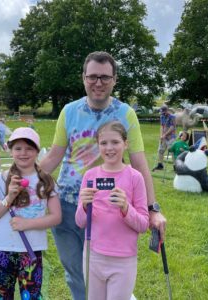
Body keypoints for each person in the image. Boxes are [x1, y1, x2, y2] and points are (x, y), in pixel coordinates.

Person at [39, 51, 166, 300]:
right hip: (66, 206)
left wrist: (153, 208)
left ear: (114, 80)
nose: (98, 83)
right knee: (75, 272)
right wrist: (25, 183)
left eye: (105, 77)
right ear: (83, 78)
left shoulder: (126, 114)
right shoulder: (68, 111)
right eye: (93, 76)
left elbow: (139, 163)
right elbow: (54, 156)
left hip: (106, 209)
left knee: (106, 271)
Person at [0, 127, 61, 300]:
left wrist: (27, 223)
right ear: (10, 150)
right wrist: (8, 197)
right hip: (1, 250)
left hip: (31, 252)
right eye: (18, 148)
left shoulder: (47, 181)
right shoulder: (0, 179)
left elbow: (56, 217)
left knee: (31, 297)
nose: (23, 153)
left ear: (37, 151)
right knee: (2, 297)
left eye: (29, 148)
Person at [75, 121, 149, 300]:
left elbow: (143, 225)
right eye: (103, 143)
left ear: (125, 144)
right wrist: (84, 206)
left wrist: (126, 208)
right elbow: (80, 222)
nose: (109, 148)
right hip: (93, 257)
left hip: (123, 260)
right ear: (97, 145)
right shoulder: (90, 176)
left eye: (115, 142)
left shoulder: (135, 177)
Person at [152, 104, 176, 171]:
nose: (163, 114)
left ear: (167, 110)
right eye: (162, 112)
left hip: (171, 137)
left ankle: (175, 167)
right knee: (160, 150)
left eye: (164, 112)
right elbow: (162, 126)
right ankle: (160, 165)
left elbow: (172, 127)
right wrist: (161, 135)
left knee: (172, 151)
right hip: (164, 137)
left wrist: (165, 135)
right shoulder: (162, 116)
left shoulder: (172, 117)